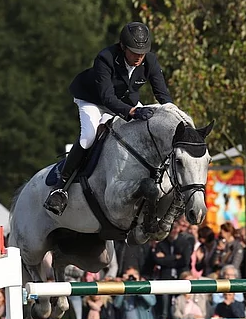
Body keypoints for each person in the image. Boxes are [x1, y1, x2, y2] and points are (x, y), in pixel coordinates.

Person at [45, 22, 173, 215]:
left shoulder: (150, 61)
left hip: (125, 101)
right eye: (134, 52)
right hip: (93, 100)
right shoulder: (105, 58)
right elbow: (107, 98)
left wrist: (174, 117)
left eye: (142, 52)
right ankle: (61, 187)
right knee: (88, 137)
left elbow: (163, 96)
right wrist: (132, 112)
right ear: (122, 47)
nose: (139, 57)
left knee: (148, 130)